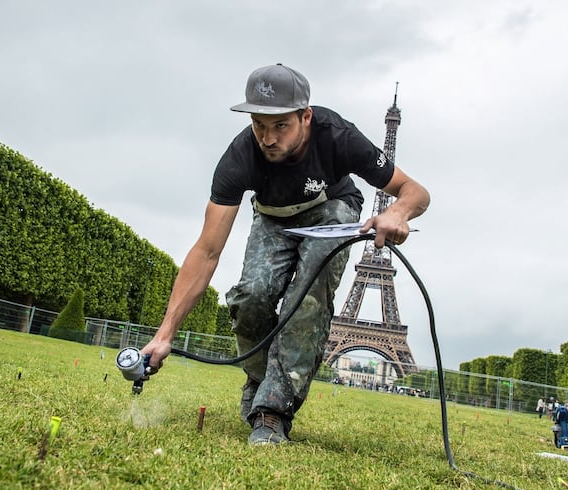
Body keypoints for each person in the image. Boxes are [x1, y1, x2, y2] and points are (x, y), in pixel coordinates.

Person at [139, 64, 430, 445]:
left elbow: (415, 191)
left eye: (280, 126)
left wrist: (396, 211)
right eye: (260, 125)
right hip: (274, 219)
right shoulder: (239, 157)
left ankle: (272, 411)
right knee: (251, 297)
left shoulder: (339, 137)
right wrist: (165, 335)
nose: (268, 138)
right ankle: (262, 382)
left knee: (305, 299)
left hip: (333, 211)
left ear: (305, 116)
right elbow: (207, 251)